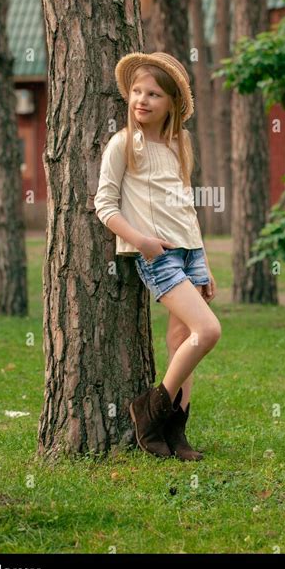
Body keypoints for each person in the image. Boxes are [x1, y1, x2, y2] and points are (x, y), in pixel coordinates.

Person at [94, 51, 222, 461]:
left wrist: (204, 263)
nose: (142, 100)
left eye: (153, 94)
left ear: (171, 104)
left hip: (189, 252)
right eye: (137, 91)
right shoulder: (122, 145)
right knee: (209, 331)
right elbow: (105, 205)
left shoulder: (178, 144)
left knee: (182, 339)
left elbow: (186, 206)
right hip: (157, 255)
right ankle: (148, 412)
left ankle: (175, 430)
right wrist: (142, 242)